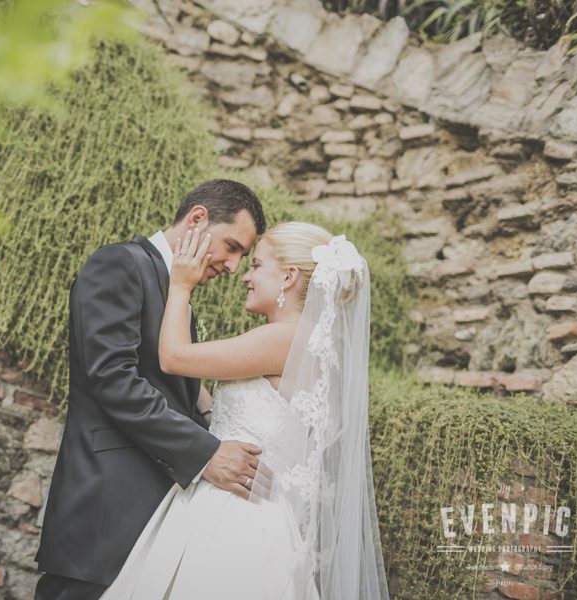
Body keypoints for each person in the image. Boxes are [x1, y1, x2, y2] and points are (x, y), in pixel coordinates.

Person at [98, 221, 390, 600]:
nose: (245, 277)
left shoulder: (284, 339)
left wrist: (181, 285)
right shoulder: (305, 345)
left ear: (288, 277)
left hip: (234, 517)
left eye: (256, 265)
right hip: (246, 508)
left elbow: (174, 357)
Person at [34, 179, 269, 600]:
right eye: (232, 246)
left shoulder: (176, 289)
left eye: (243, 256)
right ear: (198, 218)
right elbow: (112, 378)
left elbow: (175, 391)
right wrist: (207, 453)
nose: (234, 267)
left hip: (158, 516)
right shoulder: (120, 264)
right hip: (107, 508)